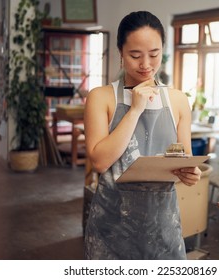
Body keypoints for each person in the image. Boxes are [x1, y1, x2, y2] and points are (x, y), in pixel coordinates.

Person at [84, 11, 202, 260]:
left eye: (154, 54)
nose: (146, 64)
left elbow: (183, 157)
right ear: (120, 53)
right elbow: (101, 161)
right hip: (111, 226)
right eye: (135, 55)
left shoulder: (178, 101)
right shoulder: (101, 97)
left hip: (163, 227)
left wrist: (190, 173)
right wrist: (135, 109)